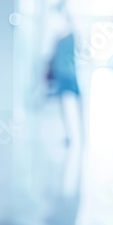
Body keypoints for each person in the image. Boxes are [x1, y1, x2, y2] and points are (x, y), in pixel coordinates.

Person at [50, 15, 82, 145]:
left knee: (66, 104)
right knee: (69, 104)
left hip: (65, 73)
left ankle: (73, 132)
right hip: (66, 73)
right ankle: (72, 132)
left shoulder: (64, 37)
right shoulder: (65, 37)